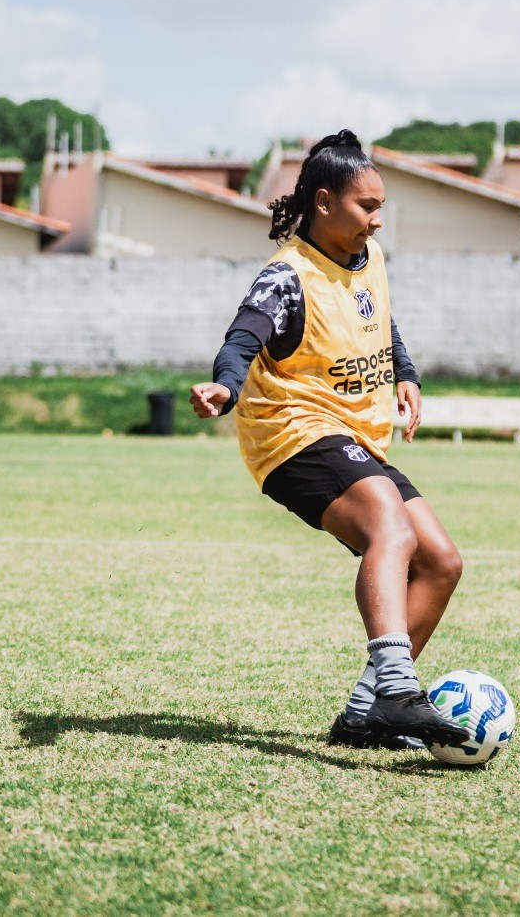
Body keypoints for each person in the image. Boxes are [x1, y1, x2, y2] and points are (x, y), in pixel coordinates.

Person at [189, 130, 472, 750]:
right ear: (323, 202)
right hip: (290, 433)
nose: (377, 220)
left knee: (441, 562)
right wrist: (225, 387)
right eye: (366, 207)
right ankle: (398, 690)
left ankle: (363, 715)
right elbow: (241, 339)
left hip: (353, 439)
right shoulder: (287, 276)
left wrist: (407, 374)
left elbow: (381, 317)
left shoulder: (367, 260)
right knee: (389, 530)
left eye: (380, 208)